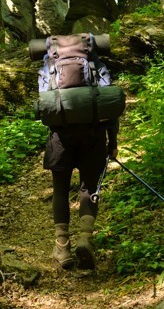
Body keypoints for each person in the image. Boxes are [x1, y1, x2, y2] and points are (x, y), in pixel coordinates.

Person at [39, 48, 118, 271]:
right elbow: (109, 107)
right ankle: (85, 239)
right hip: (93, 136)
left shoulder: (50, 65)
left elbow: (45, 106)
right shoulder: (96, 64)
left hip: (61, 138)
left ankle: (62, 247)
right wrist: (112, 142)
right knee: (89, 187)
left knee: (61, 189)